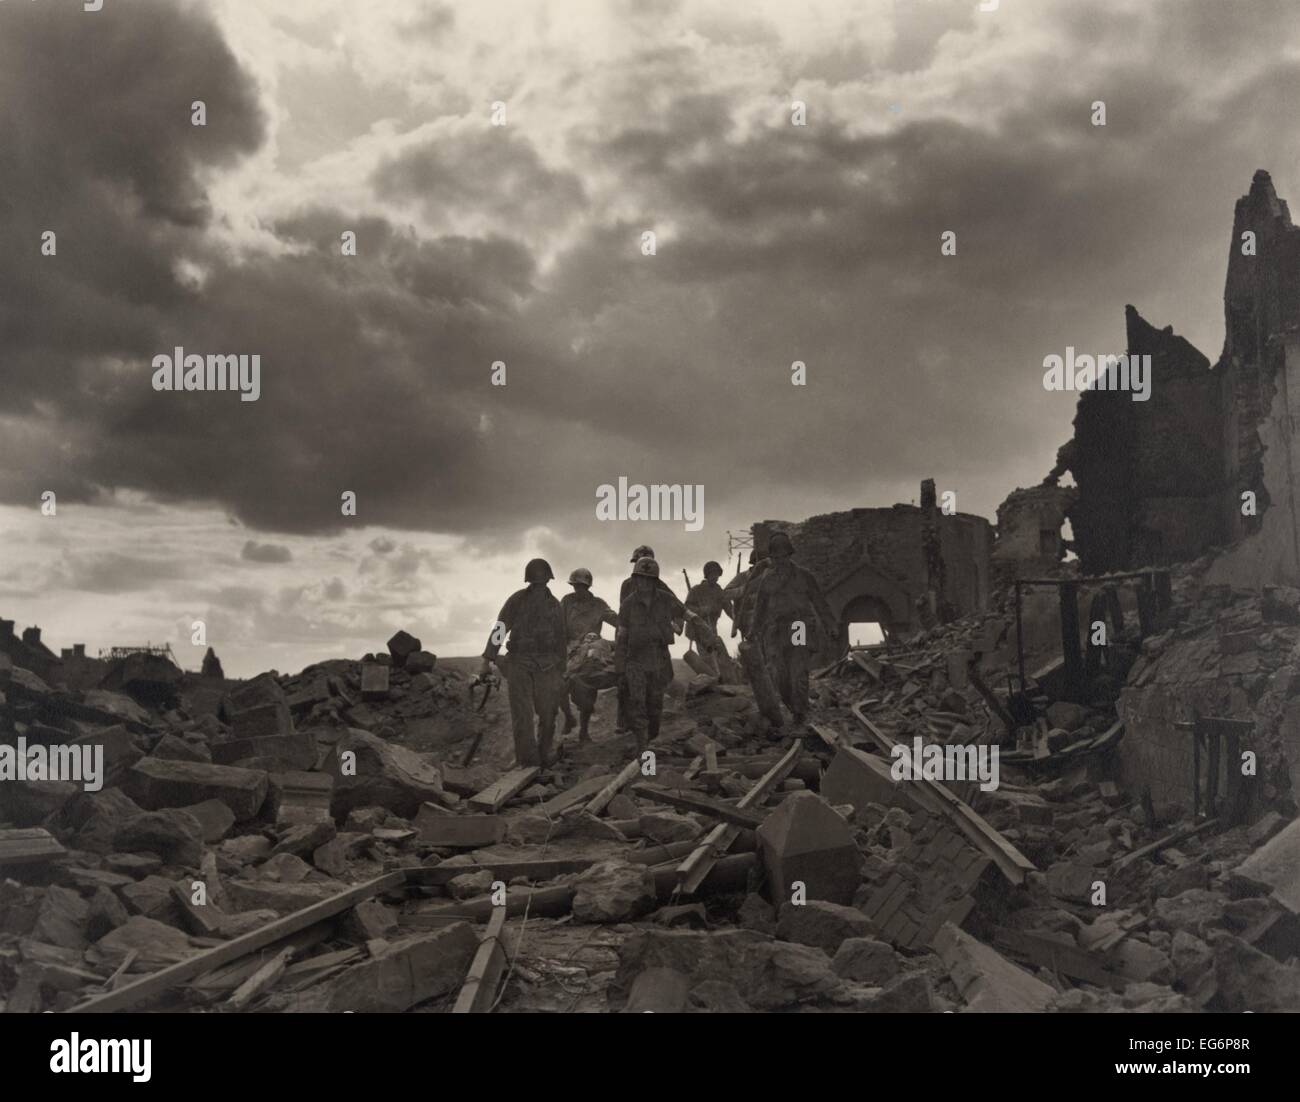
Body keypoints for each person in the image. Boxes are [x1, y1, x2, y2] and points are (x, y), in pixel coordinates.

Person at [477, 558, 566, 767]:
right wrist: (487, 658)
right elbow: (500, 629)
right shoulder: (516, 600)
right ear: (528, 582)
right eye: (535, 584)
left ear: (548, 581)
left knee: (548, 711)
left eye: (542, 583)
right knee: (522, 714)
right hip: (519, 662)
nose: (538, 587)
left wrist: (562, 667)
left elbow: (561, 638)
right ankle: (527, 760)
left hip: (547, 664)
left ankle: (545, 754)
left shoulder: (554, 605)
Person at [751, 531, 837, 725]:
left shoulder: (804, 576)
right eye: (775, 557)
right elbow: (760, 609)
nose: (779, 561)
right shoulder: (768, 580)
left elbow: (819, 602)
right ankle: (792, 705)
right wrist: (752, 631)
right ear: (771, 558)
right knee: (778, 673)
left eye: (783, 556)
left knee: (798, 671)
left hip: (799, 625)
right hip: (777, 628)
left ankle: (799, 713)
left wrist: (830, 624)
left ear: (789, 555)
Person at [614, 557, 677, 753]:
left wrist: (686, 624)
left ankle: (649, 738)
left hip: (659, 659)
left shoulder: (666, 599)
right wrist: (620, 666)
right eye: (640, 578)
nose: (643, 583)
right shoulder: (628, 604)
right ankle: (643, 748)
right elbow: (621, 636)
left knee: (655, 705)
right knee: (638, 703)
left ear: (655, 581)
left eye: (647, 579)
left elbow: (684, 613)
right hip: (636, 660)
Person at [559, 567, 617, 743]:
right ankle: (569, 716)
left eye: (582, 586)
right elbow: (557, 624)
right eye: (575, 586)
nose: (578, 590)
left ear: (588, 587)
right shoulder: (567, 602)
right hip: (568, 649)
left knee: (587, 689)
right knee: (559, 685)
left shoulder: (599, 604)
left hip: (591, 651)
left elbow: (618, 621)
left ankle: (584, 731)